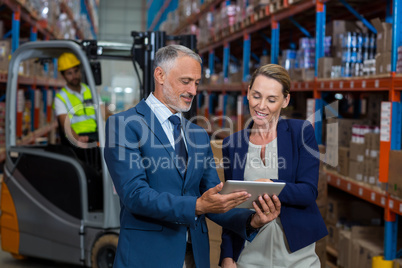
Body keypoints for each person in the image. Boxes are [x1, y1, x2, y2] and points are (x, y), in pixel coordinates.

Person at [103, 45, 282, 268]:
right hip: (148, 256)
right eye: (186, 81)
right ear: (160, 75)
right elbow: (135, 195)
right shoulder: (124, 125)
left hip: (195, 257)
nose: (193, 90)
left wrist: (251, 221)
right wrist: (197, 205)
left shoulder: (197, 134)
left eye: (196, 83)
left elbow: (213, 198)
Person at [219, 64, 328, 268]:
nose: (261, 106)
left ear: (285, 100)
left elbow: (308, 192)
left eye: (271, 99)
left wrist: (270, 185)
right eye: (257, 95)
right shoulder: (232, 145)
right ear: (248, 92)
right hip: (249, 256)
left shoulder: (300, 132)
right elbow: (229, 206)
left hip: (297, 257)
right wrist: (227, 256)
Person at [53, 52, 99, 148]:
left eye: (76, 71)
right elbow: (65, 125)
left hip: (96, 135)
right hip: (76, 139)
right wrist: (78, 139)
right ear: (63, 76)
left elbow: (103, 112)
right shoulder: (60, 98)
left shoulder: (90, 90)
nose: (74, 76)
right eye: (69, 73)